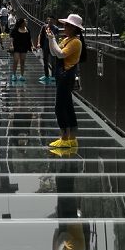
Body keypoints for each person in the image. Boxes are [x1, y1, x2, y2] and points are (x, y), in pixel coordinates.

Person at [46, 13, 83, 151]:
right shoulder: (67, 39)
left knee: (59, 107)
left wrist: (53, 39)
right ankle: (71, 138)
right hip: (62, 75)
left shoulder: (75, 42)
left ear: (74, 28)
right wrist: (51, 39)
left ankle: (65, 138)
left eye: (67, 25)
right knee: (67, 106)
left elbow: (61, 54)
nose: (64, 27)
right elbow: (54, 52)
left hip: (67, 76)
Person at [10, 16, 31, 82]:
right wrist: (11, 45)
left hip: (24, 47)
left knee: (22, 61)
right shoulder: (15, 29)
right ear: (22, 23)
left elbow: (29, 39)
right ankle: (14, 74)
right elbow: (11, 38)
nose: (26, 23)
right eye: (25, 22)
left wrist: (32, 46)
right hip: (16, 47)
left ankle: (22, 75)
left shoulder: (27, 30)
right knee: (15, 60)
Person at [36, 15, 54, 83]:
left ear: (53, 21)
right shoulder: (44, 27)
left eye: (51, 20)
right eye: (49, 19)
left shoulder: (55, 28)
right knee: (45, 61)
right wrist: (38, 43)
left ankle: (53, 76)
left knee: (53, 62)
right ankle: (46, 75)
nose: (50, 21)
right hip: (45, 46)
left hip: (53, 47)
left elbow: (57, 38)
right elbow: (40, 35)